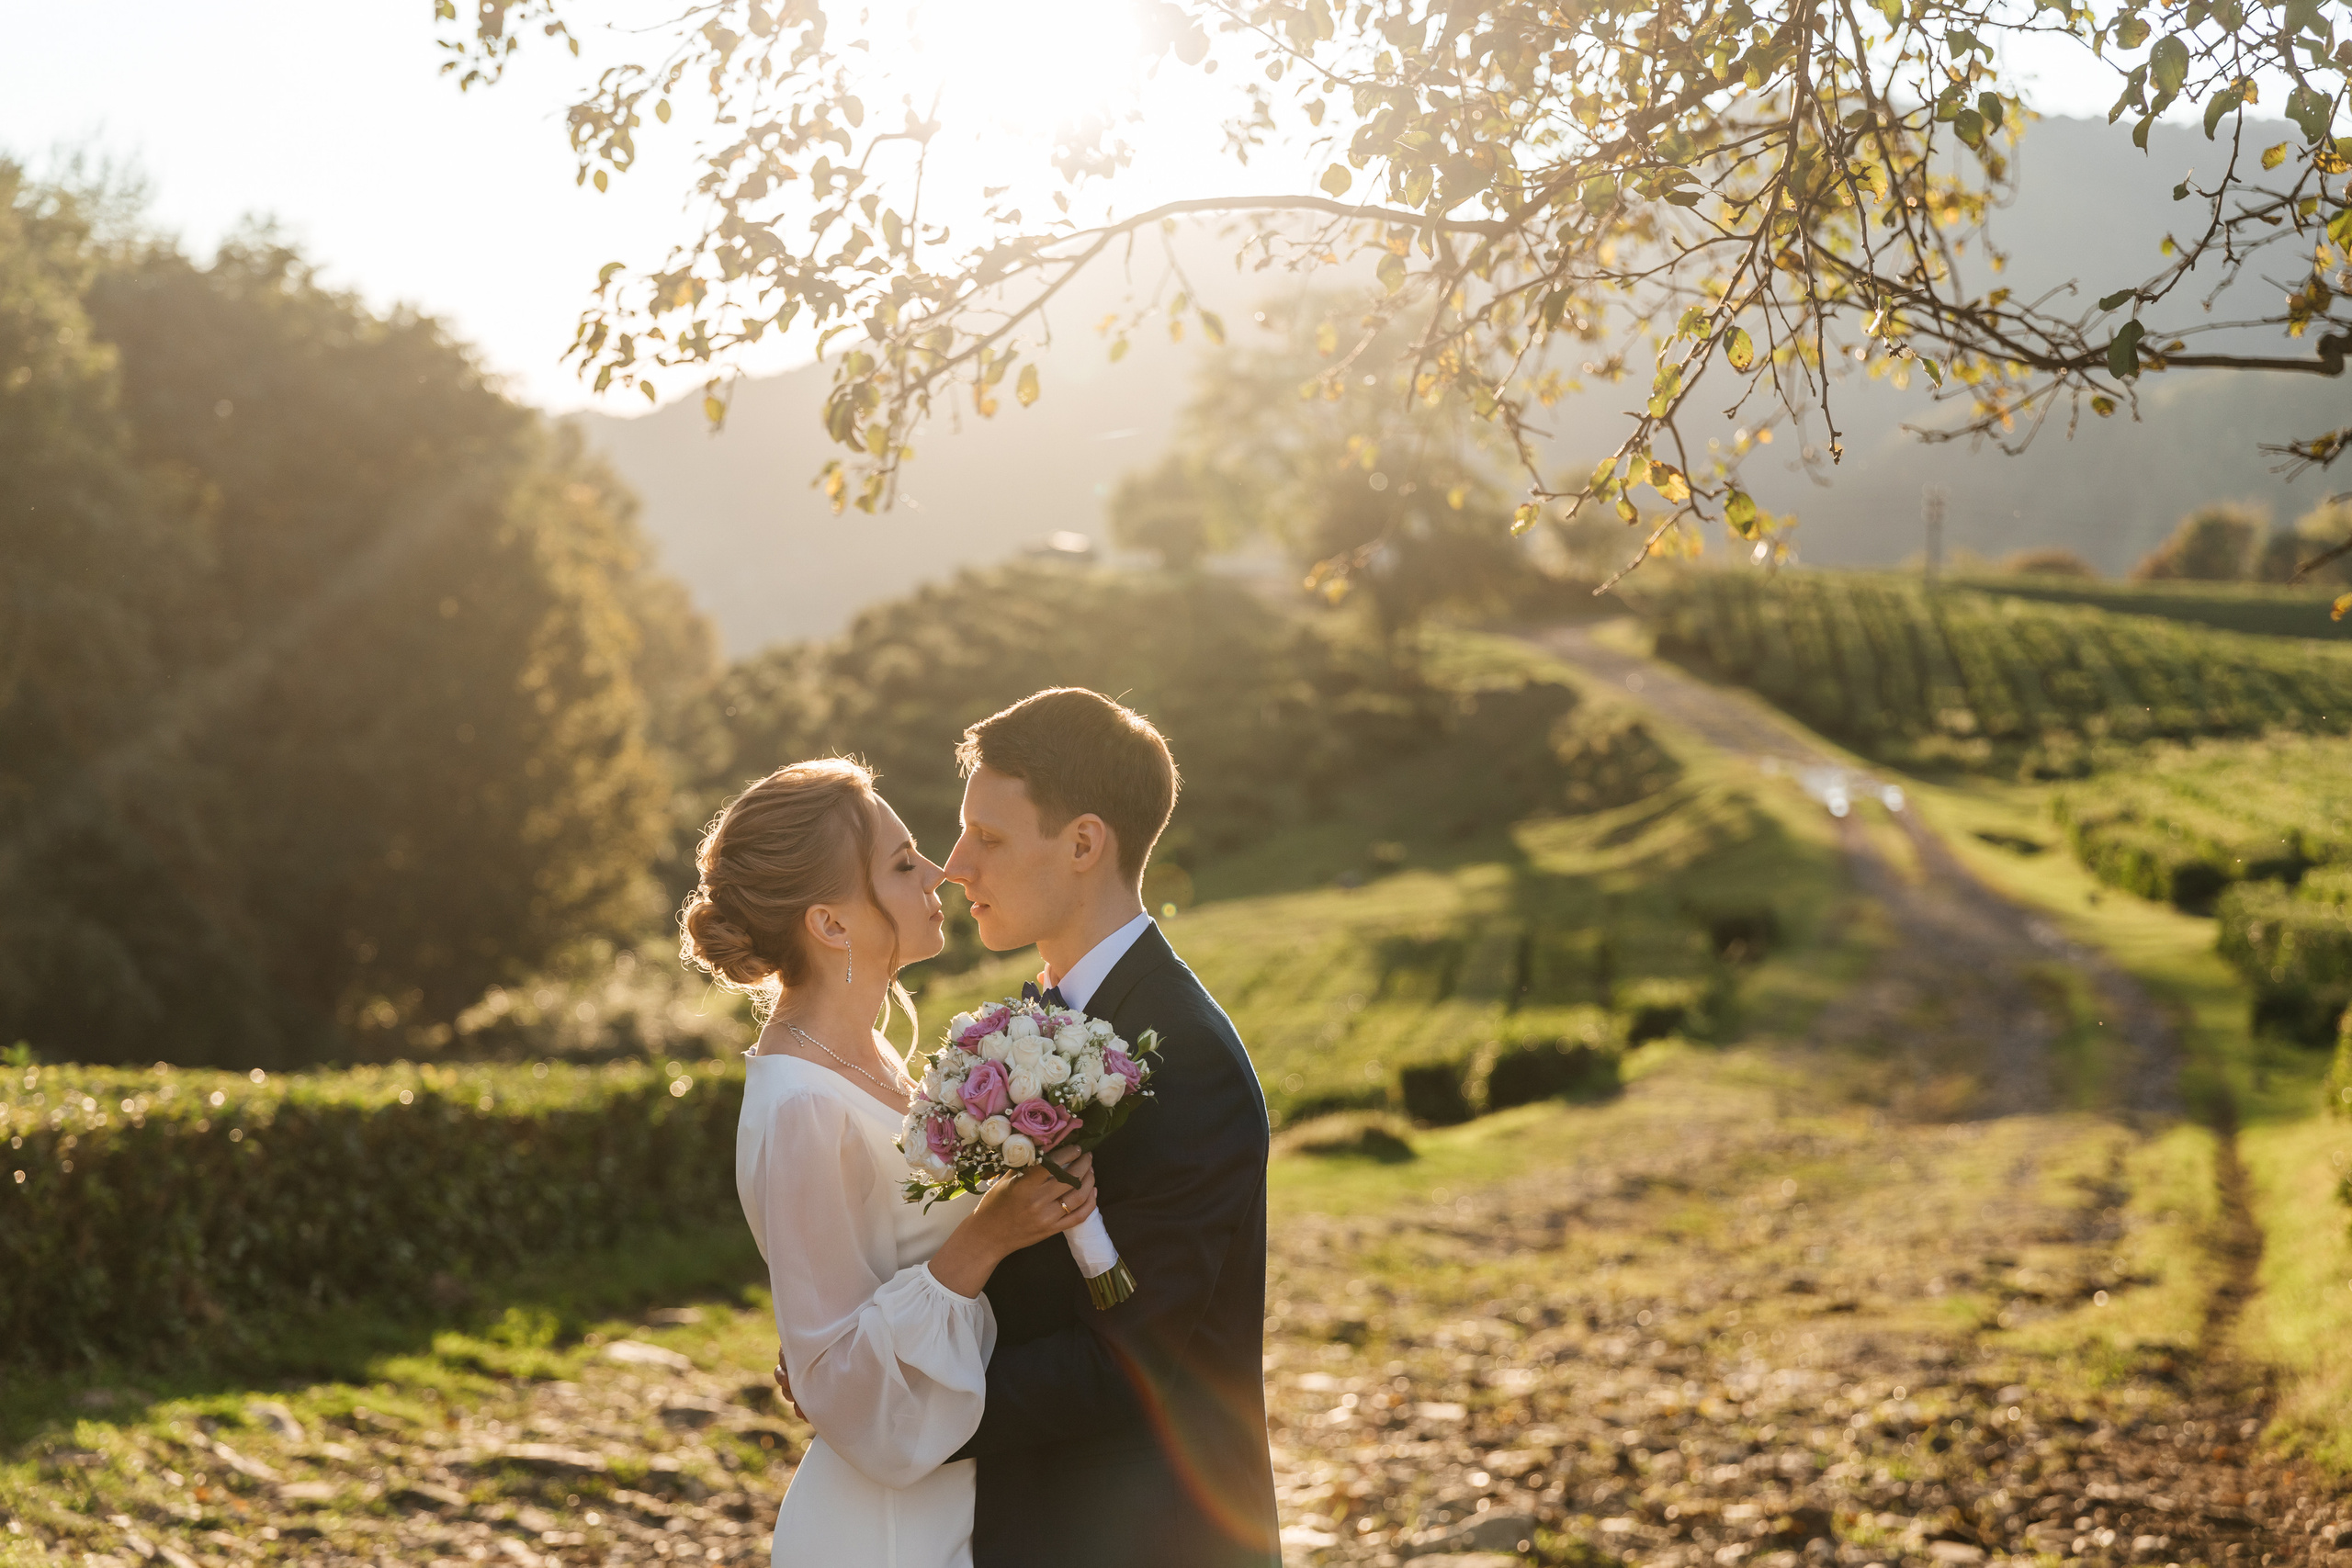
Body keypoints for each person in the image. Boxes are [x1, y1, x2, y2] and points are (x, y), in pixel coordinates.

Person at [776, 689, 1283, 1568]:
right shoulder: (1041, 1023)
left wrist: (884, 1403)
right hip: (1034, 1523)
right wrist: (865, 1354)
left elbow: (1126, 1366)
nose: (955, 865)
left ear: (1085, 843)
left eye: (992, 838)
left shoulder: (1185, 1055)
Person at [681, 757, 1103, 1568]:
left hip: (959, 1492)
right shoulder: (803, 1105)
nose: (940, 872)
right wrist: (988, 1236)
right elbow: (833, 1375)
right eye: (904, 864)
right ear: (831, 924)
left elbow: (849, 1305)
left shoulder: (869, 1053)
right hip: (886, 1530)